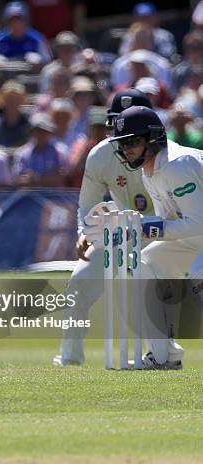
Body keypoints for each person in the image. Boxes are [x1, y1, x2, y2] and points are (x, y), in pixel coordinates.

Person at [84, 105, 203, 369]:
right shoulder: (148, 171)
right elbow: (171, 223)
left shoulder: (178, 165)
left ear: (153, 138)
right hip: (197, 235)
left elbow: (197, 222)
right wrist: (129, 231)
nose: (127, 149)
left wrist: (146, 227)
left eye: (134, 142)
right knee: (144, 262)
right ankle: (164, 357)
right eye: (123, 144)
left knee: (199, 274)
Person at [53, 89, 157, 367]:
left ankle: (159, 354)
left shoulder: (166, 155)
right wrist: (85, 234)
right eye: (117, 121)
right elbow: (87, 205)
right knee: (79, 282)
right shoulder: (100, 155)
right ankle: (69, 358)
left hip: (164, 233)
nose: (123, 132)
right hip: (121, 233)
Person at [12, 112, 69, 187]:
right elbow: (18, 181)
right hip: (29, 197)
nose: (41, 134)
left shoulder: (60, 151)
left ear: (50, 132)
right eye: (37, 131)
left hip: (54, 196)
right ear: (32, 132)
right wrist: (48, 178)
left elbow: (61, 179)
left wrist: (35, 178)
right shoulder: (22, 153)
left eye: (44, 131)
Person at [0, 1, 52, 65]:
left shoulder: (38, 38)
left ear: (26, 20)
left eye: (19, 19)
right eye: (12, 20)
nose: (16, 23)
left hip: (31, 74)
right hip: (5, 73)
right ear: (6, 21)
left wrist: (39, 59)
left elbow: (47, 59)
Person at [0, 80, 30, 147]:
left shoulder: (29, 124)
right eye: (9, 99)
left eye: (16, 99)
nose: (12, 102)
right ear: (3, 101)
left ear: (21, 101)